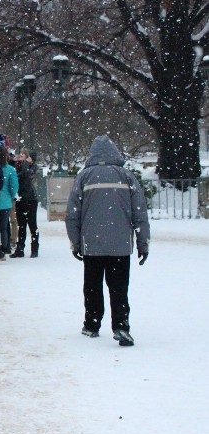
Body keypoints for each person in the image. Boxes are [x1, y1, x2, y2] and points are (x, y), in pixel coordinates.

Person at [66, 135, 149, 347]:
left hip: (92, 244)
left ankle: (92, 323)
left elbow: (72, 214)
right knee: (119, 286)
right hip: (120, 245)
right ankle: (121, 324)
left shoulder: (84, 177)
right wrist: (142, 242)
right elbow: (139, 212)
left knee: (92, 285)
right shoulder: (126, 176)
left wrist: (75, 242)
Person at [11, 148, 40, 258]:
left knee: (32, 225)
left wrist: (24, 164)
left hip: (30, 199)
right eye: (21, 154)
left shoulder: (33, 168)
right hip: (20, 198)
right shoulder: (17, 166)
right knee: (21, 225)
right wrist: (14, 161)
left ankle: (34, 248)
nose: (21, 156)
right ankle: (20, 248)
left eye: (24, 154)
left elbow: (26, 175)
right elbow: (13, 175)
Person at [0, 145, 18, 256]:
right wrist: (11, 196)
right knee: (4, 227)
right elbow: (14, 186)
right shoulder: (10, 170)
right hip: (6, 202)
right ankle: (5, 247)